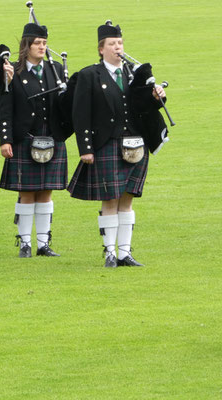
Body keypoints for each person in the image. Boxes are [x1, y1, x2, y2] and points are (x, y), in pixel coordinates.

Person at [67, 22, 166, 267]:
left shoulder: (133, 73)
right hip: (106, 144)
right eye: (112, 44)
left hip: (136, 144)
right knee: (110, 198)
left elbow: (143, 108)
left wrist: (156, 98)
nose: (117, 47)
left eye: (119, 43)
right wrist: (86, 148)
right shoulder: (90, 75)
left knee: (128, 197)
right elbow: (80, 115)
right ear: (101, 49)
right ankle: (109, 251)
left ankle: (124, 253)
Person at [0, 23, 70, 258]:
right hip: (24, 140)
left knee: (46, 191)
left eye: (44, 43)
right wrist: (5, 140)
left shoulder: (56, 69)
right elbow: (5, 107)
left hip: (51, 138)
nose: (41, 47)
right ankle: (25, 242)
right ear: (26, 46)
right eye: (37, 43)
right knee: (27, 192)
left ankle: (43, 243)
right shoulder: (14, 71)